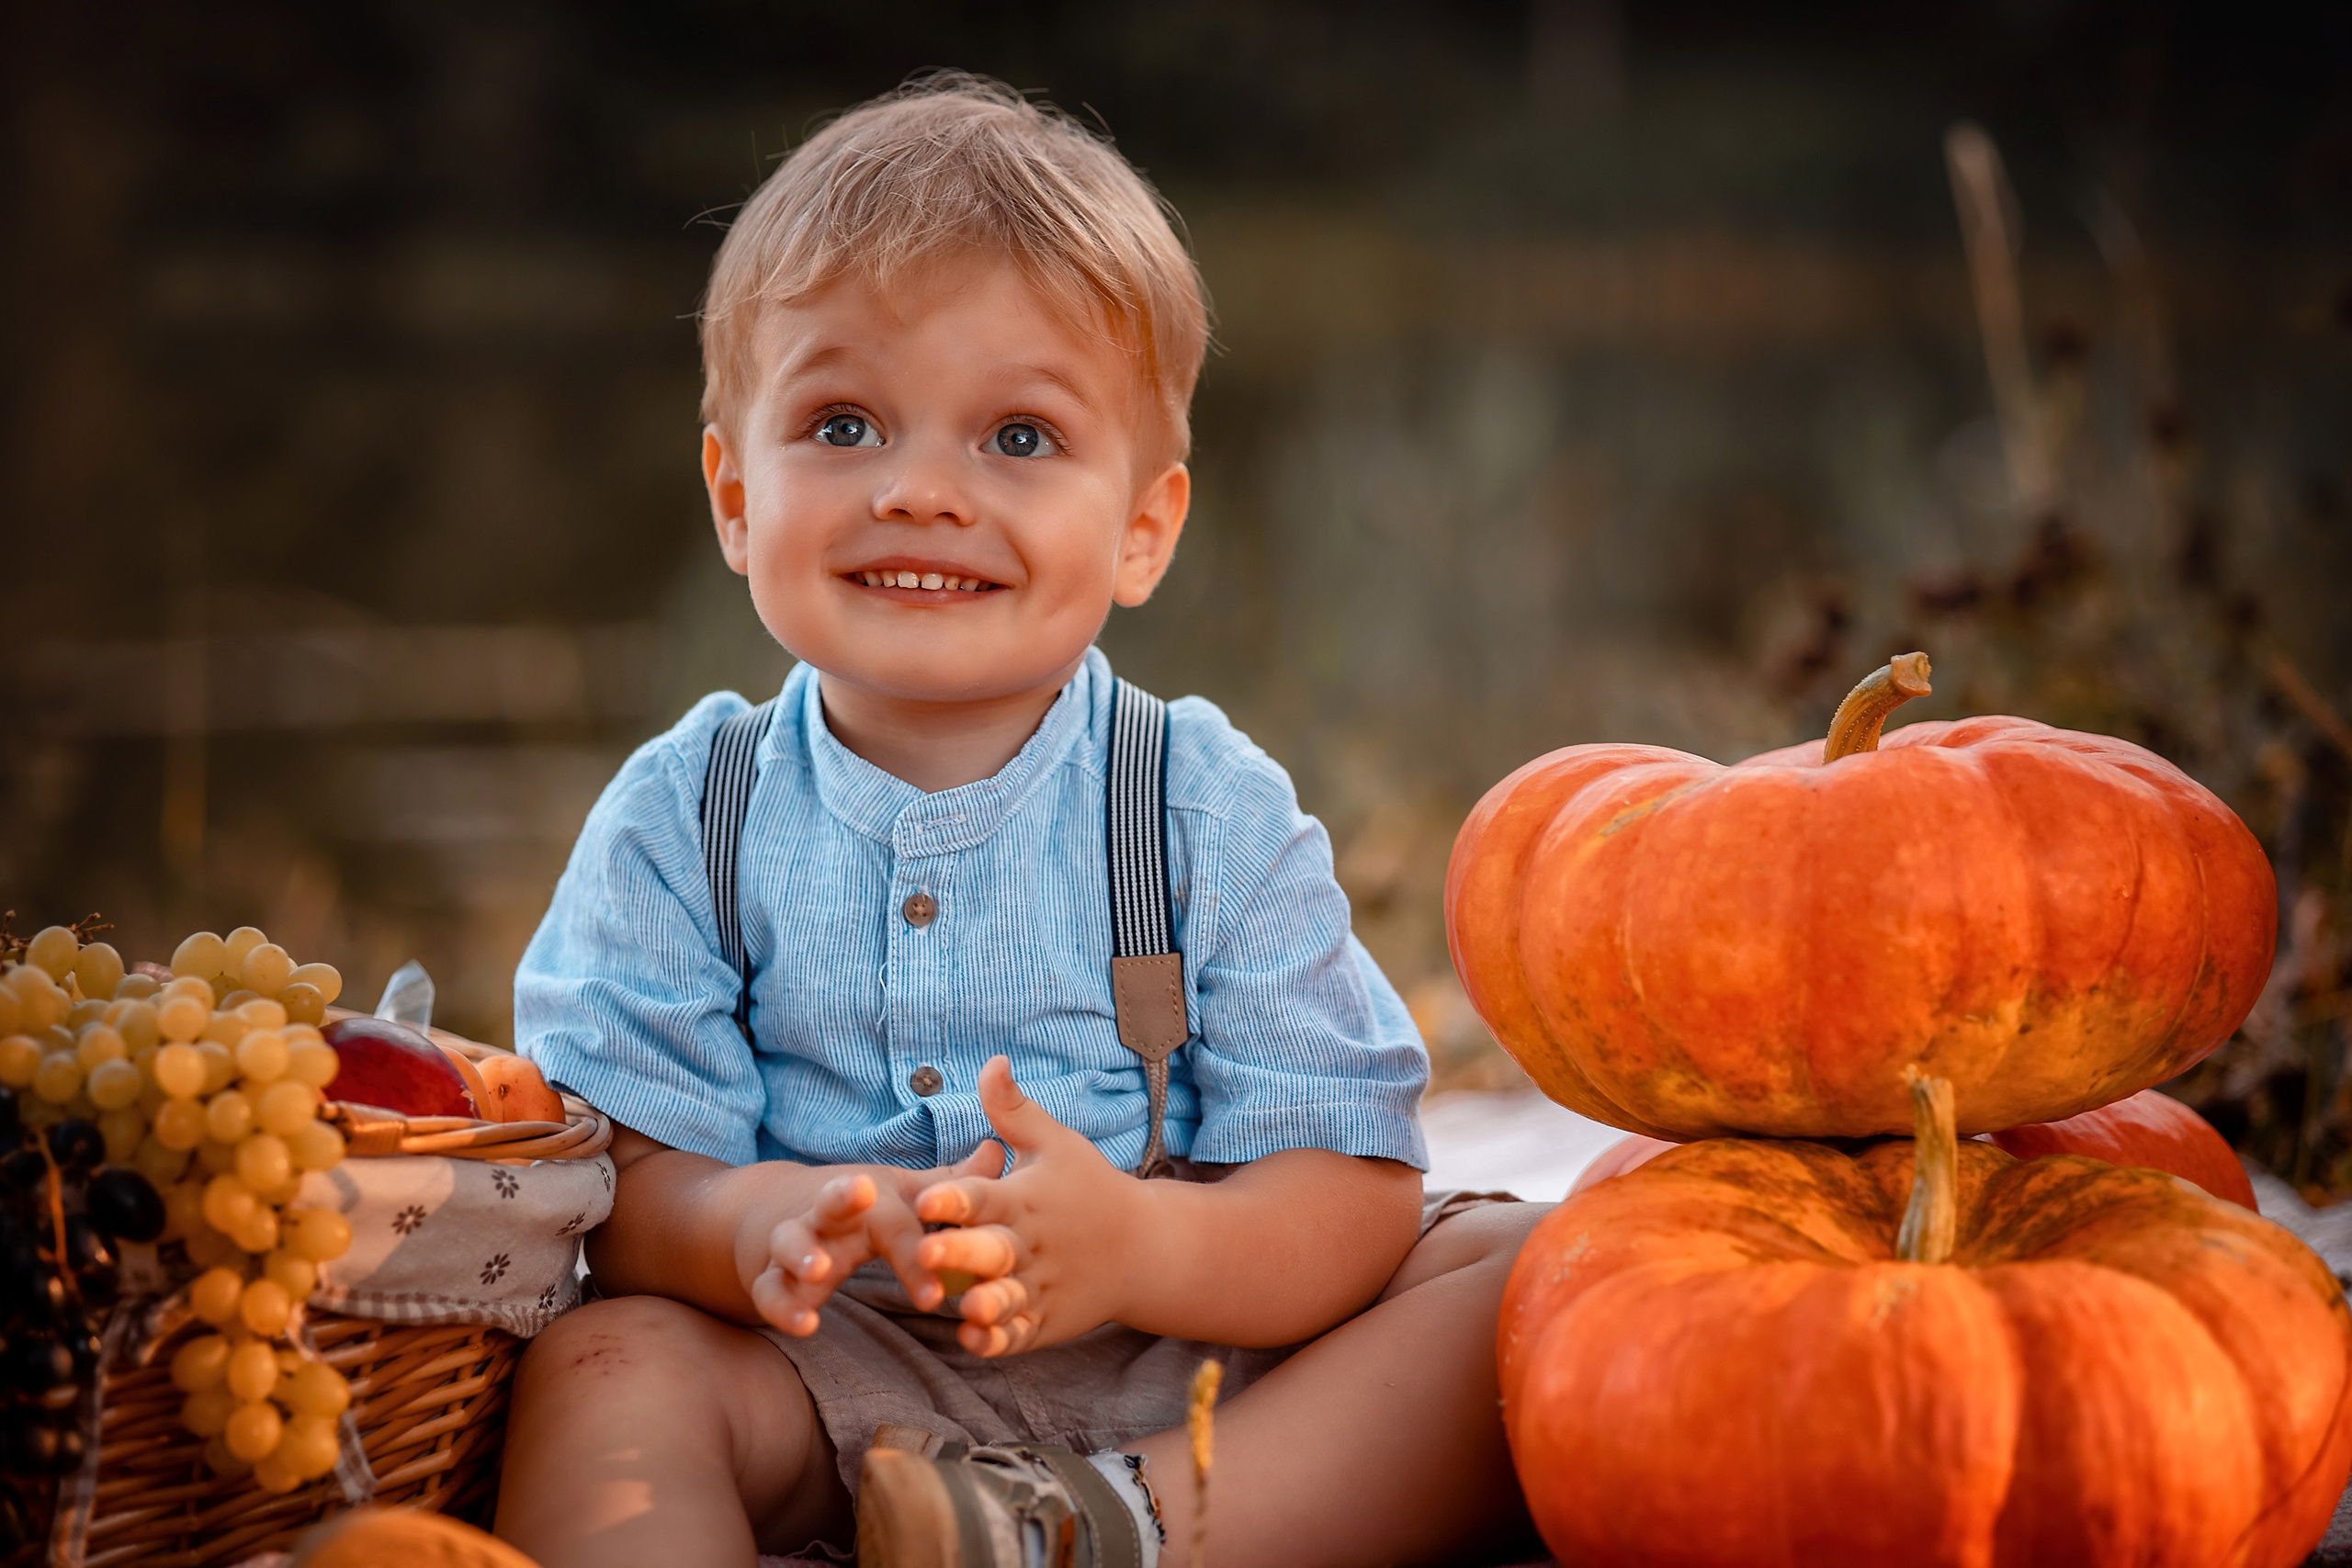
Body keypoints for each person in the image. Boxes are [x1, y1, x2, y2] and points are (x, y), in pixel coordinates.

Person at [484, 73, 1546, 1568]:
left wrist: (1140, 1246)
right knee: (606, 1370)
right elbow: (617, 1181)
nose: (921, 490)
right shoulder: (690, 815)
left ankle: (1102, 1530)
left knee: (1537, 1278)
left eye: (1021, 440)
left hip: (1189, 1379)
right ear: (734, 494)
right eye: (843, 424)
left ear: (1143, 527)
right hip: (825, 1372)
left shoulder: (1194, 805)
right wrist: (751, 1223)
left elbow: (1354, 1187)